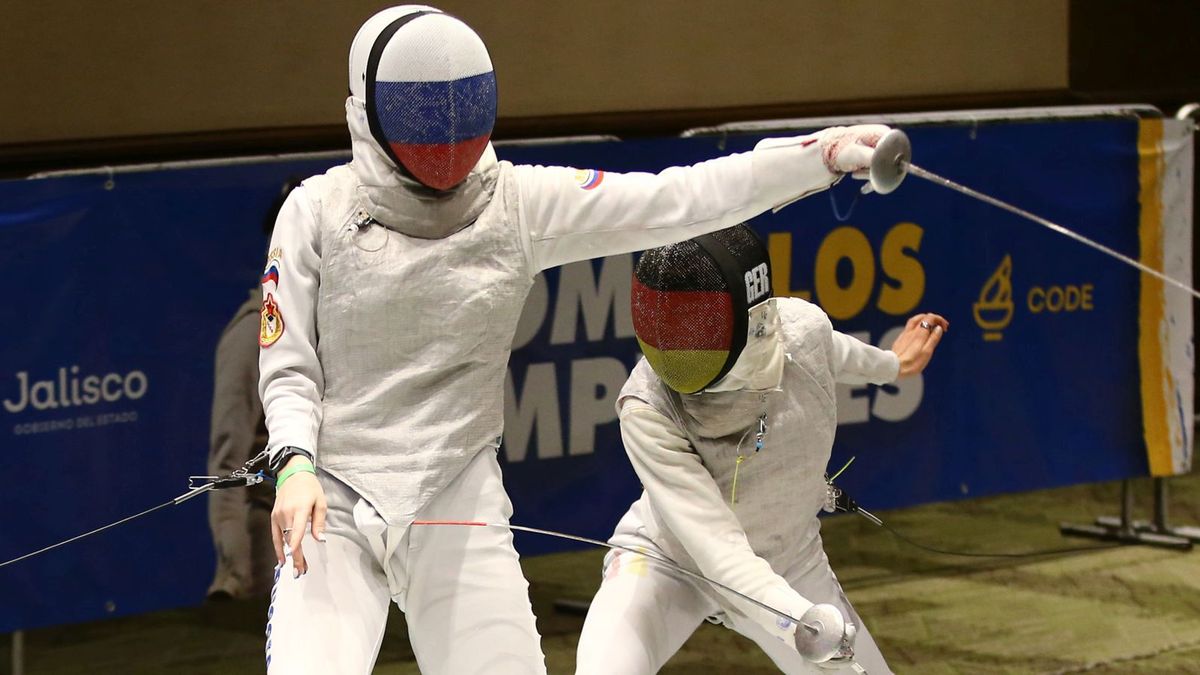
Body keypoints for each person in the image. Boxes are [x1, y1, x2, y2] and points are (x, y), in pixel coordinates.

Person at [260, 5, 896, 674]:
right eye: (424, 111)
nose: (447, 133)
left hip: (455, 492)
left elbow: (678, 200)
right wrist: (296, 461)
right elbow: (288, 361)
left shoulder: (516, 204)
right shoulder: (316, 211)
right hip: (329, 495)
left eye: (463, 106)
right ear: (372, 109)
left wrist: (819, 155)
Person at [575, 224, 947, 674]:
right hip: (670, 562)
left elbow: (837, 351)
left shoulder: (801, 331)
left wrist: (893, 364)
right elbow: (718, 550)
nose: (678, 347)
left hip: (789, 562)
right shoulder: (647, 407)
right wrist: (798, 622)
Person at [205, 180, 299, 600]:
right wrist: (234, 570)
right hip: (277, 545)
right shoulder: (251, 333)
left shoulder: (336, 320)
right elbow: (228, 462)